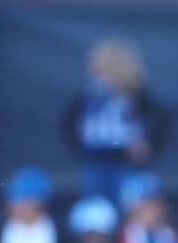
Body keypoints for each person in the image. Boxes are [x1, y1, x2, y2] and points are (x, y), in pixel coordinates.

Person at [61, 38, 167, 206]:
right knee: (96, 206)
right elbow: (69, 122)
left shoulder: (134, 90)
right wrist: (81, 148)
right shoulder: (88, 90)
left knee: (127, 204)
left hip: (124, 161)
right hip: (94, 160)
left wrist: (149, 145)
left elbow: (159, 120)